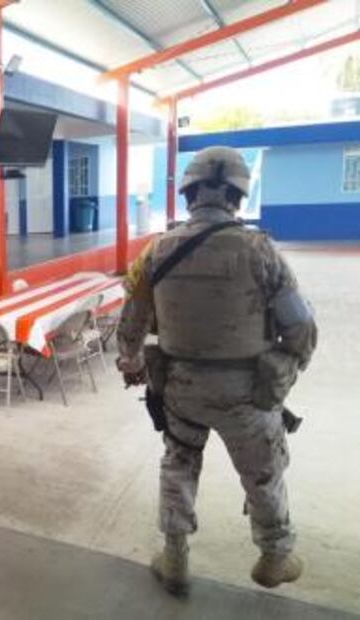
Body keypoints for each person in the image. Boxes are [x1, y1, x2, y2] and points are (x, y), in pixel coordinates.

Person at [116, 146, 317, 595]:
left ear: (188, 192)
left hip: (180, 387)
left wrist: (130, 363)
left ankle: (174, 559)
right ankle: (274, 556)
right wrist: (287, 366)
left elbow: (130, 324)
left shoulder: (155, 253)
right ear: (237, 196)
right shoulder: (260, 251)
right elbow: (300, 326)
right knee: (263, 470)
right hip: (248, 392)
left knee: (179, 464)